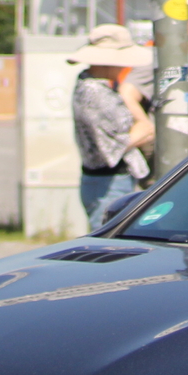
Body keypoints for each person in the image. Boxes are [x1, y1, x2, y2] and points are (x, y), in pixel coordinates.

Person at [68, 24, 154, 231]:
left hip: (104, 181)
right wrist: (143, 128)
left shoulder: (88, 85)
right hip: (108, 182)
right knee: (110, 247)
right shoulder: (96, 93)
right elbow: (111, 146)